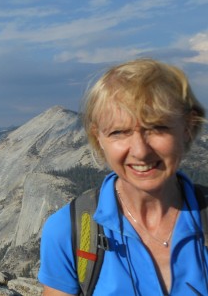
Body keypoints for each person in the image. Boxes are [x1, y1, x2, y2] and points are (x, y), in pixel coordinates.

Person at [38, 58, 207, 295]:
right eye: (119, 132)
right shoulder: (69, 231)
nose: (140, 151)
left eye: (158, 127)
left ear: (187, 129)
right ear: (99, 139)